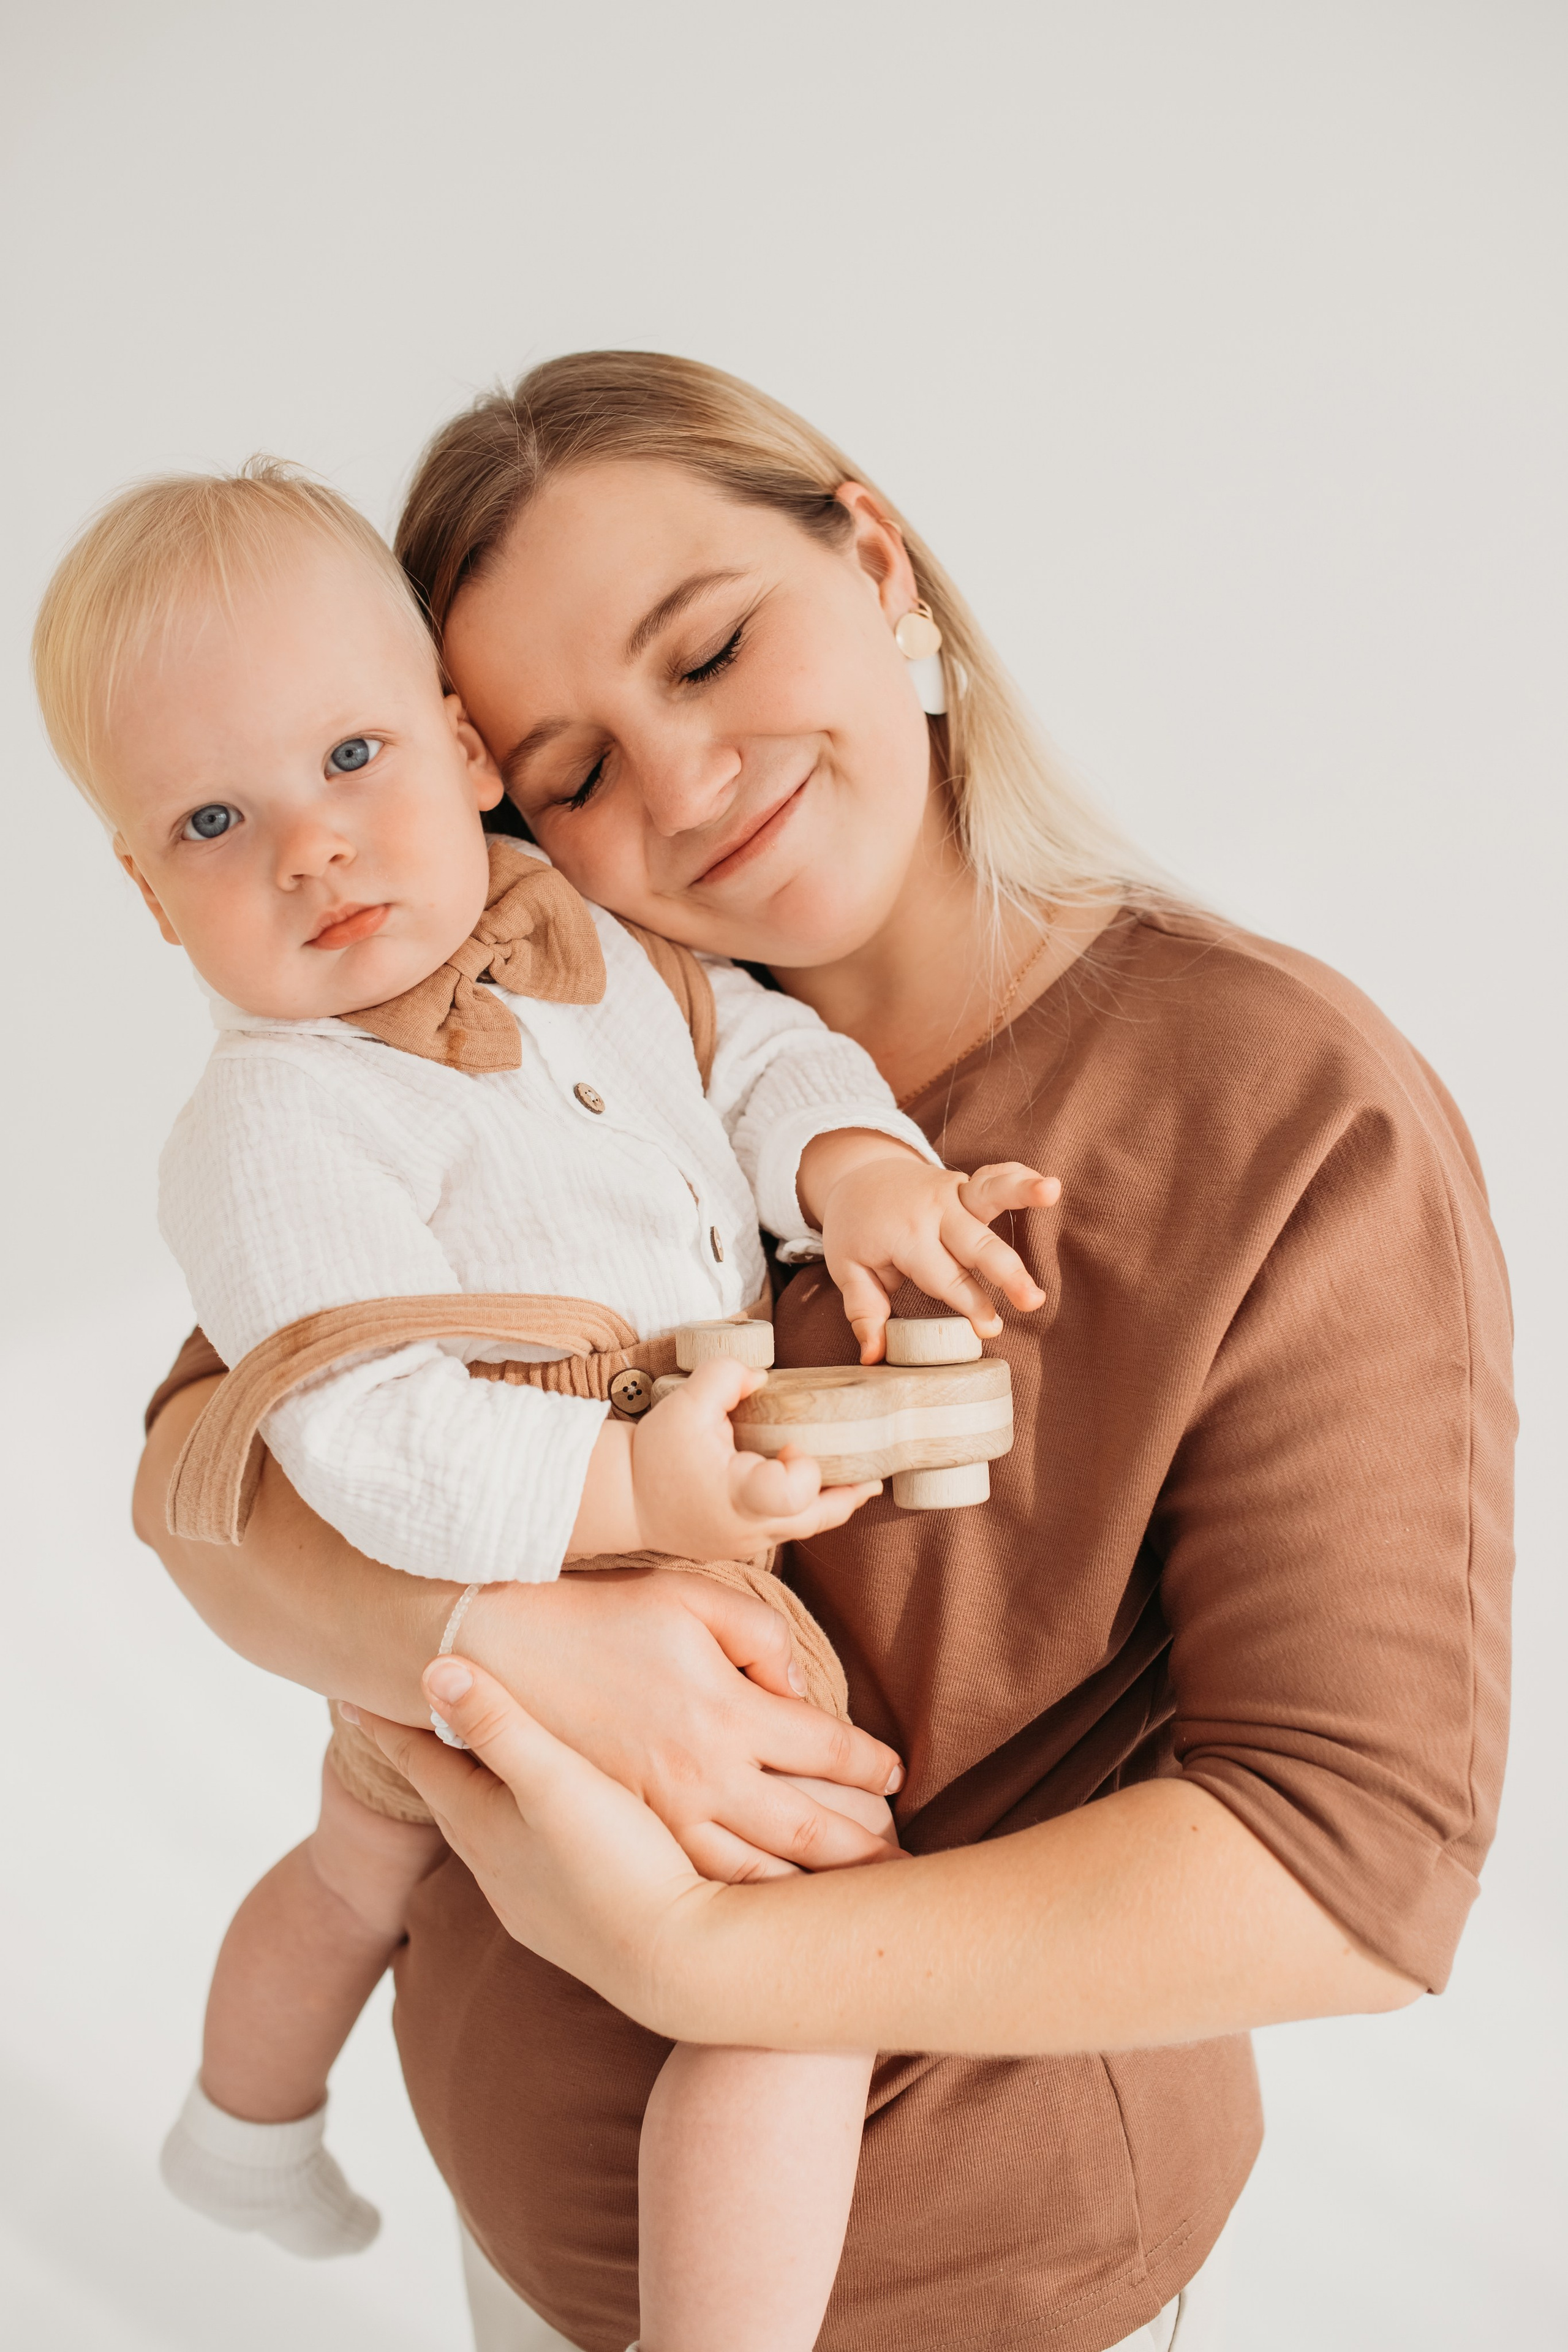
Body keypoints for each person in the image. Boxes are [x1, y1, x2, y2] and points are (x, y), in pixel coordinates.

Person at [135, 352, 1514, 2352]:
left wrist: (716, 1961)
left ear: (876, 561)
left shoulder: (1280, 1111)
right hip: (509, 2243)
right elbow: (205, 1474)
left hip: (976, 2299)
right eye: (577, 770)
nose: (684, 786)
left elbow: (1349, 1866)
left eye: (708, 651)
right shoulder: (527, 1046)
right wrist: (504, 1634)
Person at [35, 458, 1056, 2349]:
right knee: (796, 1979)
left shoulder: (602, 953)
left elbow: (755, 1052)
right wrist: (627, 1495)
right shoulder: (276, 1125)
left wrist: (852, 1172)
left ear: (463, 747)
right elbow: (361, 1444)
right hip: (555, 1565)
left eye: (351, 760)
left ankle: (238, 2134)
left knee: (359, 1863)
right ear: (147, 891)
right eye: (212, 818)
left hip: (561, 1564)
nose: (315, 853)